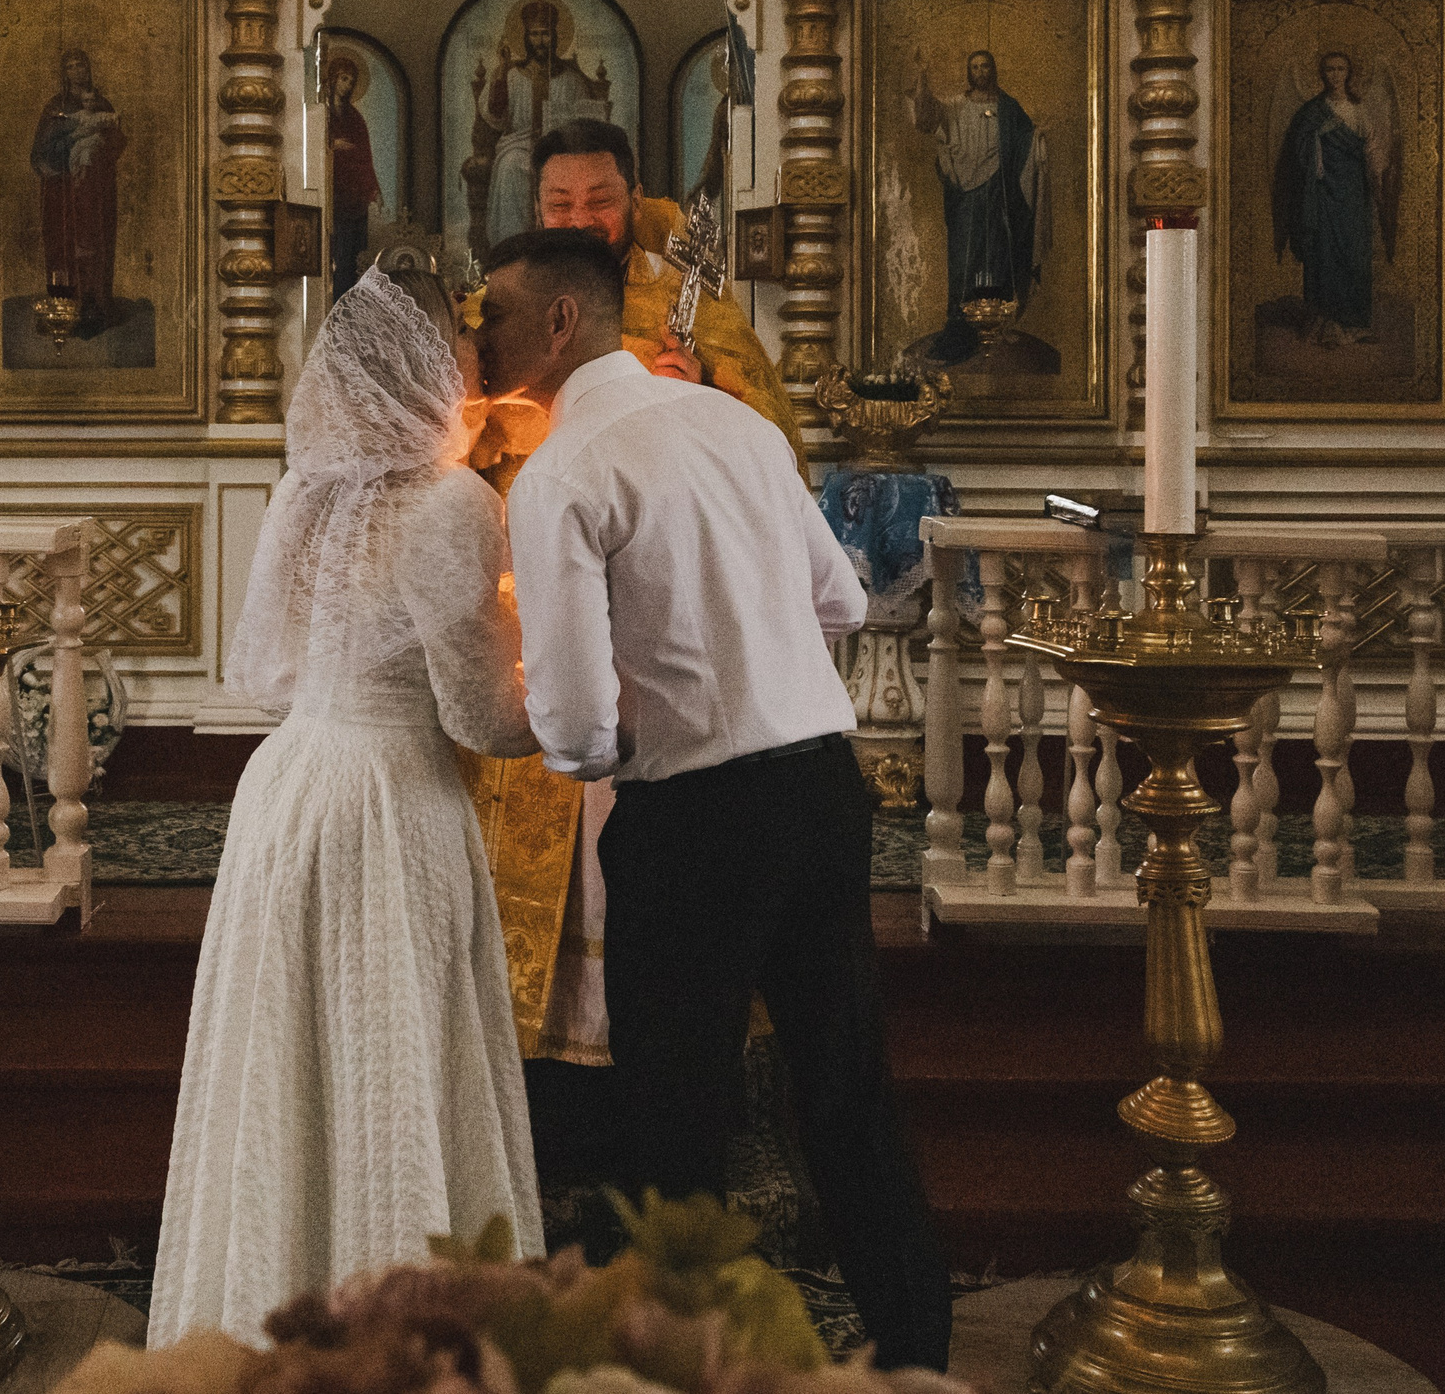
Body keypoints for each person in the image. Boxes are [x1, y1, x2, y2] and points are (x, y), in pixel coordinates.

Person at [476, 226, 951, 1373]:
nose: (473, 333)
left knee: (673, 1124)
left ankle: (675, 1367)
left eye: (490, 311)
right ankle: (918, 1351)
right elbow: (838, 601)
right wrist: (743, 652)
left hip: (691, 823)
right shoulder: (738, 427)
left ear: (558, 322)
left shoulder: (565, 475)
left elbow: (581, 733)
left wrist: (637, 710)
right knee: (844, 1093)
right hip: (821, 794)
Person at [149, 264, 543, 1348]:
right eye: (459, 352)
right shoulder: (458, 503)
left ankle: (268, 1317)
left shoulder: (299, 494)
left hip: (286, 786)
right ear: (420, 369)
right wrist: (579, 698)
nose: (473, 373)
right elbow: (482, 719)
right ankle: (404, 1340)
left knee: (278, 1063)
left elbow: (265, 675)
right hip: (390, 796)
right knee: (393, 1055)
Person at [461, 117, 797, 1137]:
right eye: (559, 205)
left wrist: (714, 397)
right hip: (535, 603)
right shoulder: (506, 302)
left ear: (631, 192)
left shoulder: (699, 310)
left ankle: (656, 1102)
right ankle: (545, 1098)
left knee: (647, 878)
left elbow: (774, 457)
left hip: (656, 630)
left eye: (596, 200)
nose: (579, 217)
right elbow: (459, 425)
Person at [909, 47, 1049, 366]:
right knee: (965, 258)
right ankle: (961, 326)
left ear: (993, 70)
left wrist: (1038, 138)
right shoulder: (956, 106)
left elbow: (1026, 138)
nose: (981, 72)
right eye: (975, 67)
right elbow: (928, 116)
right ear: (969, 73)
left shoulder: (1008, 108)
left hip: (999, 195)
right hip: (967, 199)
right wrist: (922, 75)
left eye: (986, 66)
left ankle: (997, 325)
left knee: (998, 256)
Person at [1271, 49, 1396, 348]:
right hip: (1322, 193)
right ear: (1322, 74)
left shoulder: (1359, 110)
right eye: (1329, 70)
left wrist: (1378, 177)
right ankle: (1324, 322)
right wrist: (1315, 137)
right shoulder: (1312, 112)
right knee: (1324, 253)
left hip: (1354, 194)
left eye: (1341, 69)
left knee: (1354, 253)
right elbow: (1295, 153)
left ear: (1349, 73)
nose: (1335, 75)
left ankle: (1354, 324)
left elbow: (1373, 150)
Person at [469, 1, 611, 248]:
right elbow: (495, 116)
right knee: (511, 166)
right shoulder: (513, 76)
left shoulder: (572, 80)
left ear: (555, 36)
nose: (540, 41)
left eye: (545, 34)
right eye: (534, 34)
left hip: (562, 150)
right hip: (520, 145)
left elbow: (587, 123)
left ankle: (562, 249)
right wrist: (501, 72)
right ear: (525, 37)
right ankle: (511, 248)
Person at [31, 47, 127, 336]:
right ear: (65, 73)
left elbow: (116, 140)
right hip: (61, 190)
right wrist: (59, 156)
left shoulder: (102, 103)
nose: (77, 71)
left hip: (94, 189)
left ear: (88, 68)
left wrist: (97, 151)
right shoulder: (54, 106)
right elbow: (40, 150)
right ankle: (64, 305)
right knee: (63, 242)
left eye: (81, 65)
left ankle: (95, 303)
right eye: (71, 66)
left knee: (94, 242)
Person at [323, 52, 381, 297]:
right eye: (343, 79)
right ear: (333, 79)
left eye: (350, 81)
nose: (346, 85)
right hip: (333, 195)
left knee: (356, 260)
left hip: (355, 197)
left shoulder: (355, 118)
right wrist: (331, 145)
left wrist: (373, 189)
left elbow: (365, 156)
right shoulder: (322, 114)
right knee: (339, 259)